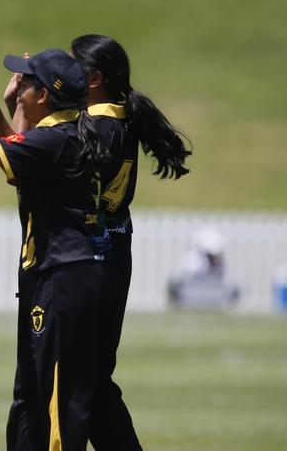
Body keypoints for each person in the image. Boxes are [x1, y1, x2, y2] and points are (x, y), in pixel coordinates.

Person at [0, 44, 112, 449]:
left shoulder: (53, 141)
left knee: (59, 401)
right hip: (62, 274)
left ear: (44, 96)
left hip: (62, 277)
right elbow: (16, 155)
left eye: (25, 81)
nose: (17, 86)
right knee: (34, 394)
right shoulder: (61, 134)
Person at [70, 34, 191, 450]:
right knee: (96, 379)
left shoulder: (95, 125)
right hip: (117, 249)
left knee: (80, 381)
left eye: (73, 67)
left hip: (92, 255)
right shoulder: (120, 117)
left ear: (94, 78)